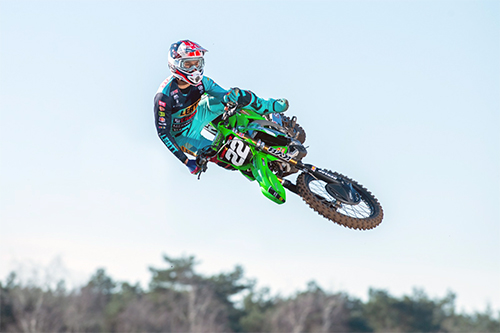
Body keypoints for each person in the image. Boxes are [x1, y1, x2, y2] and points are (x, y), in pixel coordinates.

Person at [154, 40, 289, 175]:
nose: (194, 69)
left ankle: (269, 107)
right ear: (175, 65)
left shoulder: (203, 82)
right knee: (223, 157)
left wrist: (229, 100)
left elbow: (225, 95)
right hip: (183, 137)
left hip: (200, 113)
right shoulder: (164, 97)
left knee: (236, 95)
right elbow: (163, 133)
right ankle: (257, 167)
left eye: (197, 63)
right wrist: (186, 162)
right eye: (188, 64)